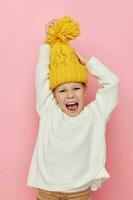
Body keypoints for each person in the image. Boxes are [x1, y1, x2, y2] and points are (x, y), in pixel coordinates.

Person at [26, 16, 119, 200]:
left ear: (85, 90)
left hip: (79, 195)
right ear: (53, 95)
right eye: (62, 90)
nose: (70, 95)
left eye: (76, 88)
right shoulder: (49, 111)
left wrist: (88, 63)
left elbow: (112, 83)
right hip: (47, 193)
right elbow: (41, 77)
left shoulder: (96, 114)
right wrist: (48, 44)